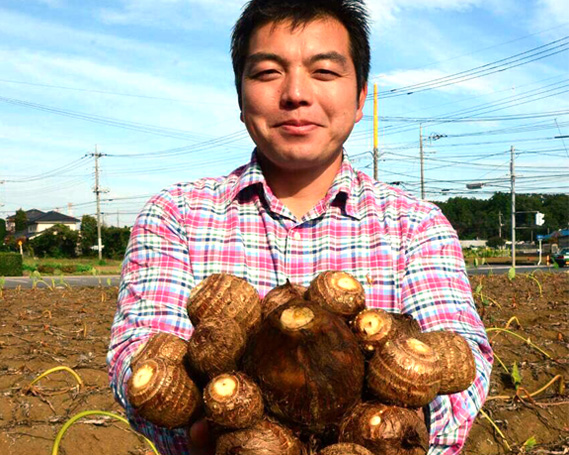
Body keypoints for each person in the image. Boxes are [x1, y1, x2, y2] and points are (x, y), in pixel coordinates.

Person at [107, 0, 493, 454]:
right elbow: (139, 362)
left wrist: (383, 431)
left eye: (324, 72)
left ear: (360, 98)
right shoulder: (175, 215)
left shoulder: (415, 226)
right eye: (268, 72)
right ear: (240, 96)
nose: (295, 94)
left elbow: (463, 364)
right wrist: (224, 434)